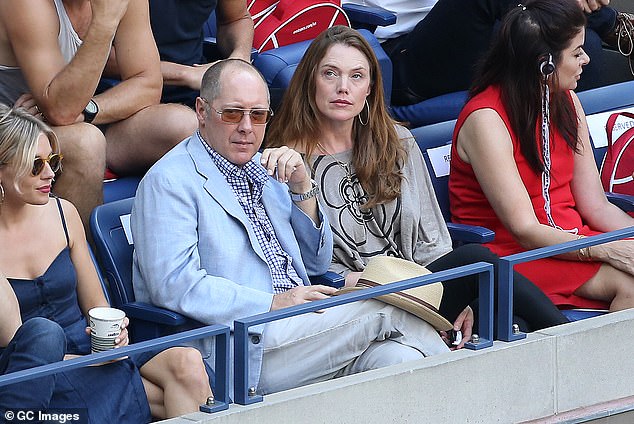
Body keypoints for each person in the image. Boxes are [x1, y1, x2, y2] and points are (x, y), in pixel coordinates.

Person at [131, 58, 459, 397]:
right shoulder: (169, 181)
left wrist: (303, 189)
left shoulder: (266, 167)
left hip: (303, 327)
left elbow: (316, 264)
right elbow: (174, 285)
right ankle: (472, 392)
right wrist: (272, 302)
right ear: (201, 110)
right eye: (232, 113)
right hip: (240, 344)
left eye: (258, 115)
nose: (247, 126)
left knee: (398, 358)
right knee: (385, 307)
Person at [264, 26, 568, 338]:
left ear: (370, 88)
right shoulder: (286, 162)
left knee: (502, 317)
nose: (343, 87)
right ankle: (575, 341)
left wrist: (456, 295)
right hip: (356, 297)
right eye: (330, 74)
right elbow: (304, 263)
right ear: (309, 81)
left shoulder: (397, 142)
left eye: (356, 76)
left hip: (420, 284)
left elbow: (432, 238)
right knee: (478, 261)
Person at [0, 105, 213, 421]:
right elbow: (21, 350)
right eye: (35, 166)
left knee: (189, 365)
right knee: (46, 335)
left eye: (53, 162)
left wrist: (116, 335)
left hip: (91, 351)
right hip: (38, 371)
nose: (49, 174)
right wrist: (92, 361)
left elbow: (98, 305)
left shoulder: (63, 213)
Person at [449, 0, 634, 311]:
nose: (586, 59)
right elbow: (524, 229)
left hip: (576, 241)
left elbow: (596, 205)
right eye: (576, 53)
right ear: (544, 63)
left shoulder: (567, 99)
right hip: (515, 254)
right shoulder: (486, 119)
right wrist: (609, 250)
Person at [0, 0, 198, 228]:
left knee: (182, 125)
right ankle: (80, 257)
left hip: (74, 116)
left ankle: (174, 250)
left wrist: (87, 110)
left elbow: (149, 84)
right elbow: (61, 111)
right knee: (86, 143)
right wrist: (104, 22)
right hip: (13, 125)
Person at [343, 0, 633, 105]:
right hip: (405, 55)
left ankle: (572, 161)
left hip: (476, 35)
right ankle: (613, 25)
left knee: (581, 43)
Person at [149, 0, 254, 107]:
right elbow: (134, 72)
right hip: (140, 91)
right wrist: (187, 74)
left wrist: (239, 58)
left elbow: (236, 19)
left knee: (261, 111)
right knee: (184, 121)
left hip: (198, 86)